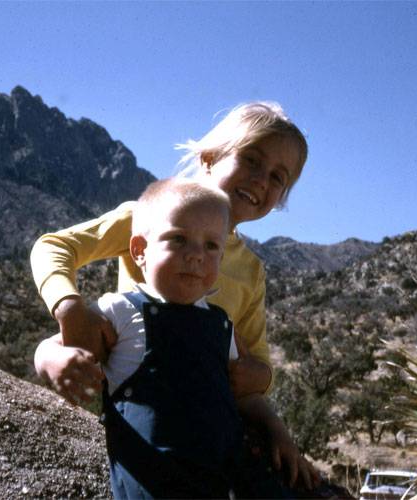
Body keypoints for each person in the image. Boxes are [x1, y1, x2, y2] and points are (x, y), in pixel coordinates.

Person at [35, 178, 317, 498]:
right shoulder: (121, 310)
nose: (196, 255)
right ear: (140, 251)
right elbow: (55, 345)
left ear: (221, 258)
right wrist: (51, 359)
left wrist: (278, 432)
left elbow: (242, 394)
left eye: (211, 246)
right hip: (156, 478)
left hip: (229, 475)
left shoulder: (221, 325)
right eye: (178, 239)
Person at [30, 102, 307, 401]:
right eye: (251, 159)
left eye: (278, 177)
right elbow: (55, 246)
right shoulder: (150, 218)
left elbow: (257, 356)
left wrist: (261, 378)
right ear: (209, 159)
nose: (261, 180)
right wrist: (70, 310)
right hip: (135, 395)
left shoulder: (251, 271)